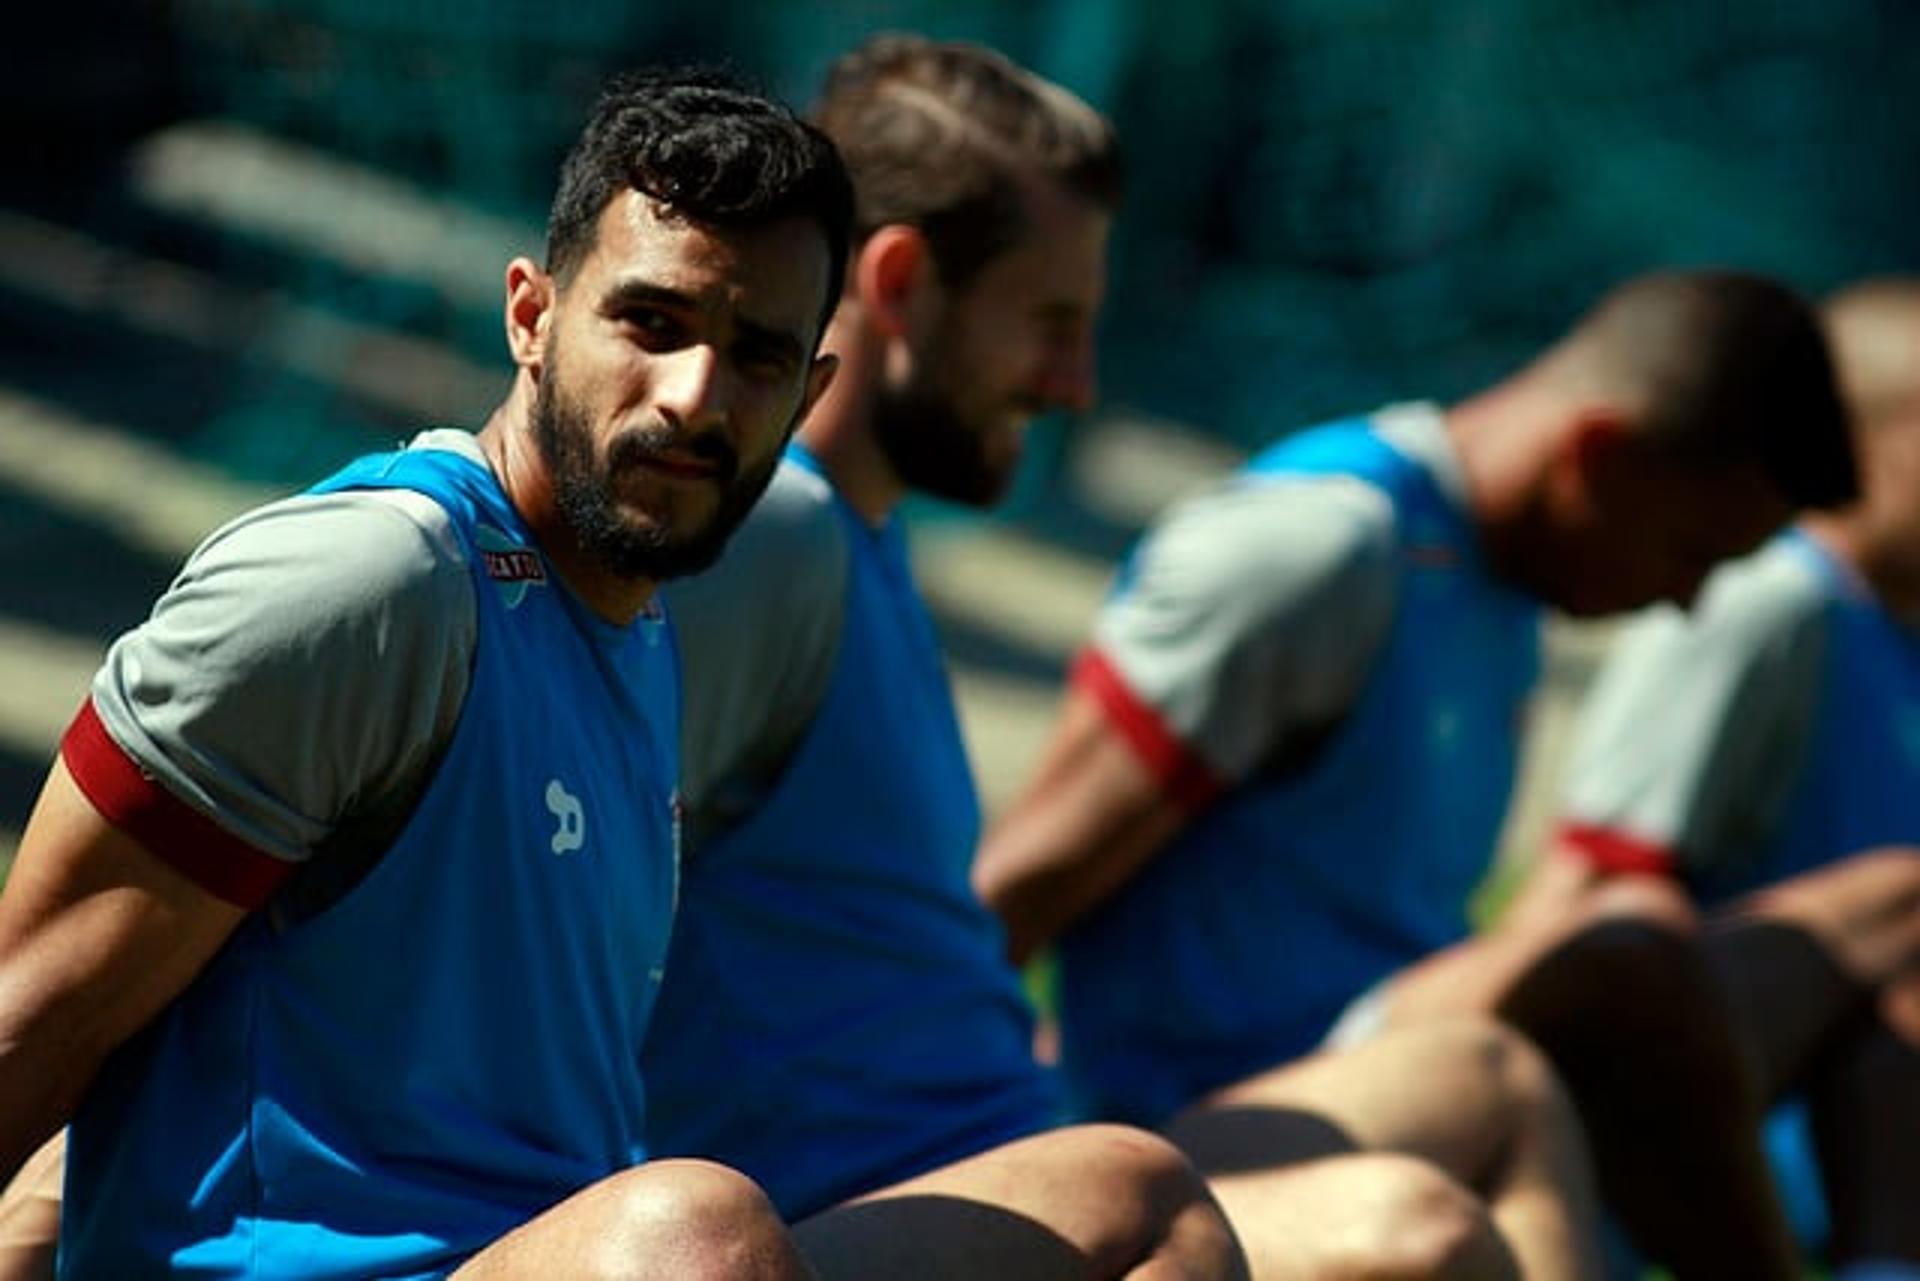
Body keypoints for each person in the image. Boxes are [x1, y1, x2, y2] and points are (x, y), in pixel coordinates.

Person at [644, 33, 1603, 1280]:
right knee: (1407, 1233)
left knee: (1487, 1076)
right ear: (900, 283)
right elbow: (563, 905)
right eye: (1048, 324)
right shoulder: (773, 535)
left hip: (1019, 1142)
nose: (1078, 384)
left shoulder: (863, 545)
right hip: (901, 1199)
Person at [0, 67, 861, 1278]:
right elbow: (38, 1009)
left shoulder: (642, 627)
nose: (693, 398)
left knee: (1117, 1192)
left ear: (811, 395)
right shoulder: (375, 582)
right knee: (693, 1237)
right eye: (652, 324)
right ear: (532, 316)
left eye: (759, 357)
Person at [974, 269, 1860, 1279]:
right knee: (1633, 951)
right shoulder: (1323, 548)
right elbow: (1022, 882)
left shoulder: (1505, 582)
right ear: (1599, 457)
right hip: (1208, 1121)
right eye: (1694, 553)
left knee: (1886, 914)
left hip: (1387, 1076)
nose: (1689, 604)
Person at [1365, 279, 1920, 1281]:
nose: (1683, 588)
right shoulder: (1766, 603)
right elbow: (1595, 885)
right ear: (1887, 437)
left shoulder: (1887, 633)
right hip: (1674, 1125)